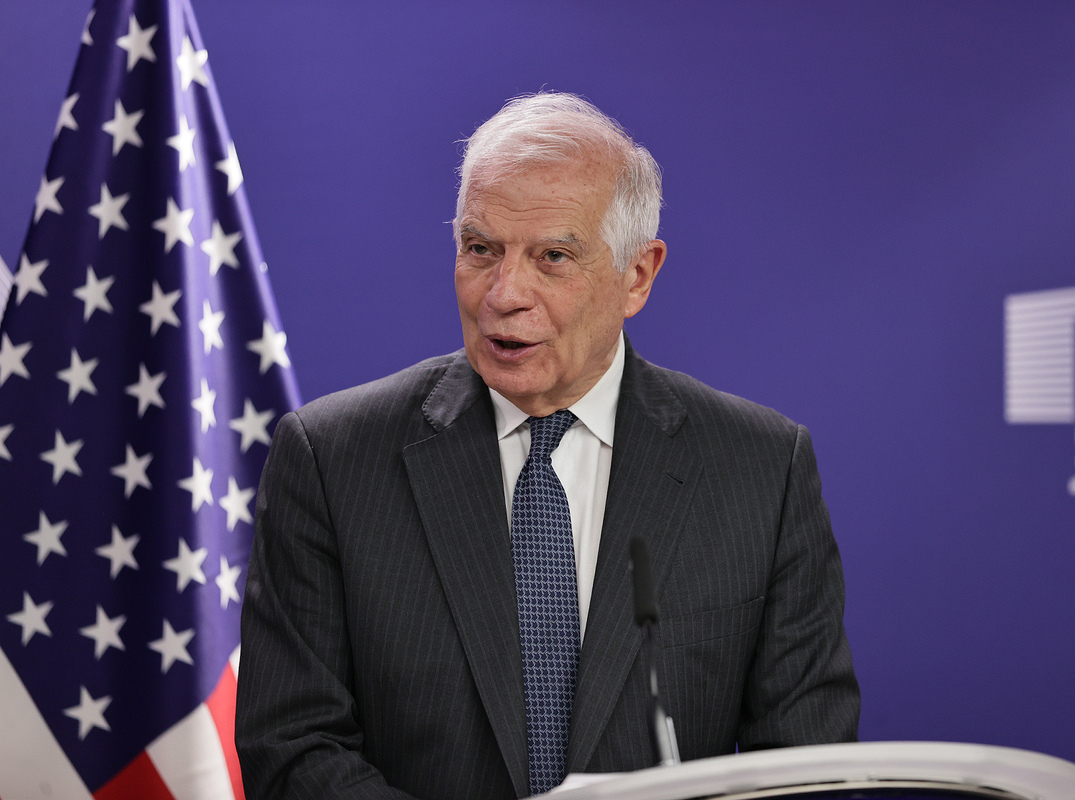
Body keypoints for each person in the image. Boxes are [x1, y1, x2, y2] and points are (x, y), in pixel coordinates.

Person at [235, 92, 859, 800]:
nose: (504, 293)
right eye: (481, 250)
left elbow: (809, 772)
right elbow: (293, 749)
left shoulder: (762, 470)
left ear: (637, 276)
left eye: (553, 257)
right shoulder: (331, 459)